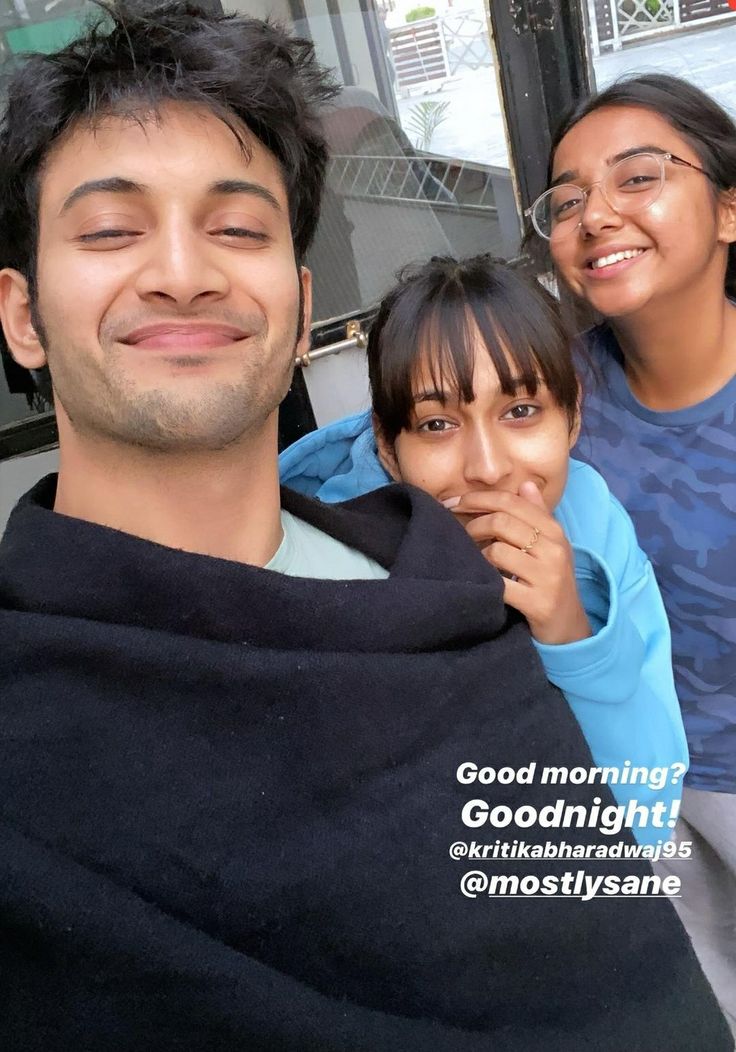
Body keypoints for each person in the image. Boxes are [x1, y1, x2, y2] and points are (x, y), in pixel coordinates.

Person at [0, 7, 730, 1046]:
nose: (181, 270)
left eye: (238, 227)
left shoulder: (443, 592)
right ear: (22, 313)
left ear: (302, 310)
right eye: (112, 228)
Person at [279, 254, 687, 847]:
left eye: (521, 412)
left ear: (572, 419)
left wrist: (573, 634)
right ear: (388, 446)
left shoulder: (589, 517)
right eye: (437, 425)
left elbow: (645, 815)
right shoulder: (328, 563)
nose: (489, 468)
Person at [525, 72, 736, 1033]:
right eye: (566, 201)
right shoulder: (550, 401)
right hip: (630, 788)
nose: (596, 216)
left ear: (728, 210)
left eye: (638, 178)